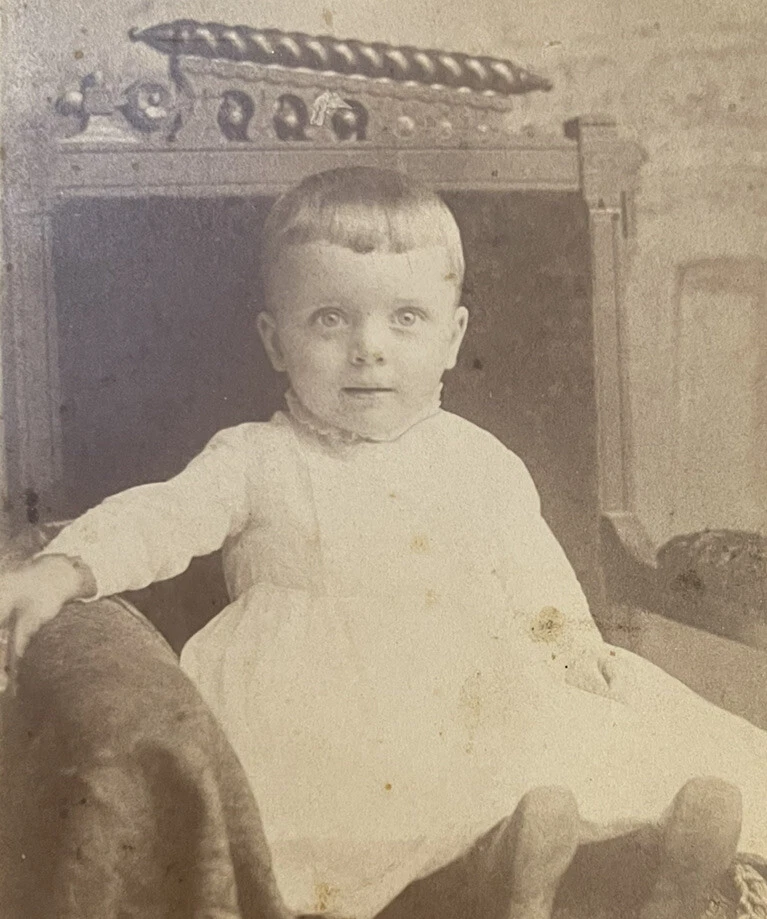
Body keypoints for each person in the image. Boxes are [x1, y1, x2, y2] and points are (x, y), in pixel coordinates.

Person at [0, 166, 761, 919]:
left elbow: (532, 572)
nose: (368, 348)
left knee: (565, 742)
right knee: (393, 791)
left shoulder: (476, 457)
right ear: (275, 339)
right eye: (329, 319)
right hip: (309, 704)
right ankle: (500, 876)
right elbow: (162, 516)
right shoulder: (254, 458)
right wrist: (67, 568)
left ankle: (631, 864)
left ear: (452, 335)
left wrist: (571, 646)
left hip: (468, 684)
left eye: (404, 318)